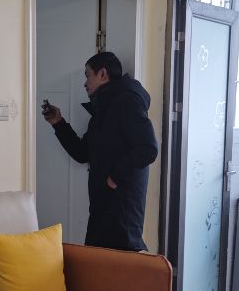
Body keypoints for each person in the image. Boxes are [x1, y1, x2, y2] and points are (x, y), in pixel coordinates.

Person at [41, 52, 158, 251]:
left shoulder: (127, 102)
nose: (85, 83)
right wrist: (58, 123)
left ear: (102, 74)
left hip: (121, 208)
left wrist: (114, 177)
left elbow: (148, 148)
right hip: (102, 206)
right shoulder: (103, 110)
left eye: (88, 75)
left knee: (116, 263)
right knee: (96, 260)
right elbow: (82, 153)